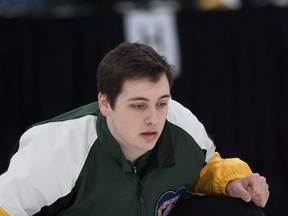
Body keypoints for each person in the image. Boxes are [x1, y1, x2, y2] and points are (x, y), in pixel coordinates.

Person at [0, 42, 269, 216]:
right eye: (138, 106)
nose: (154, 118)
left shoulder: (179, 123)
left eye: (162, 103)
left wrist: (233, 182)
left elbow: (204, 168)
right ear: (105, 103)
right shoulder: (57, 149)